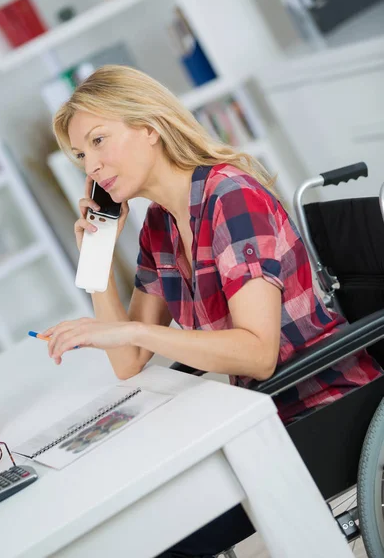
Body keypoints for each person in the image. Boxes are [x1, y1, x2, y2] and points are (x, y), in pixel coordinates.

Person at [44, 65, 382, 557]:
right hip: (263, 413)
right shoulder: (159, 227)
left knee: (166, 532)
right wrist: (95, 262)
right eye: (80, 155)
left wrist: (135, 330)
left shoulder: (231, 197)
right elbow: (128, 359)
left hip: (324, 407)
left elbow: (257, 353)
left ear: (150, 127)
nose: (90, 166)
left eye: (99, 141)